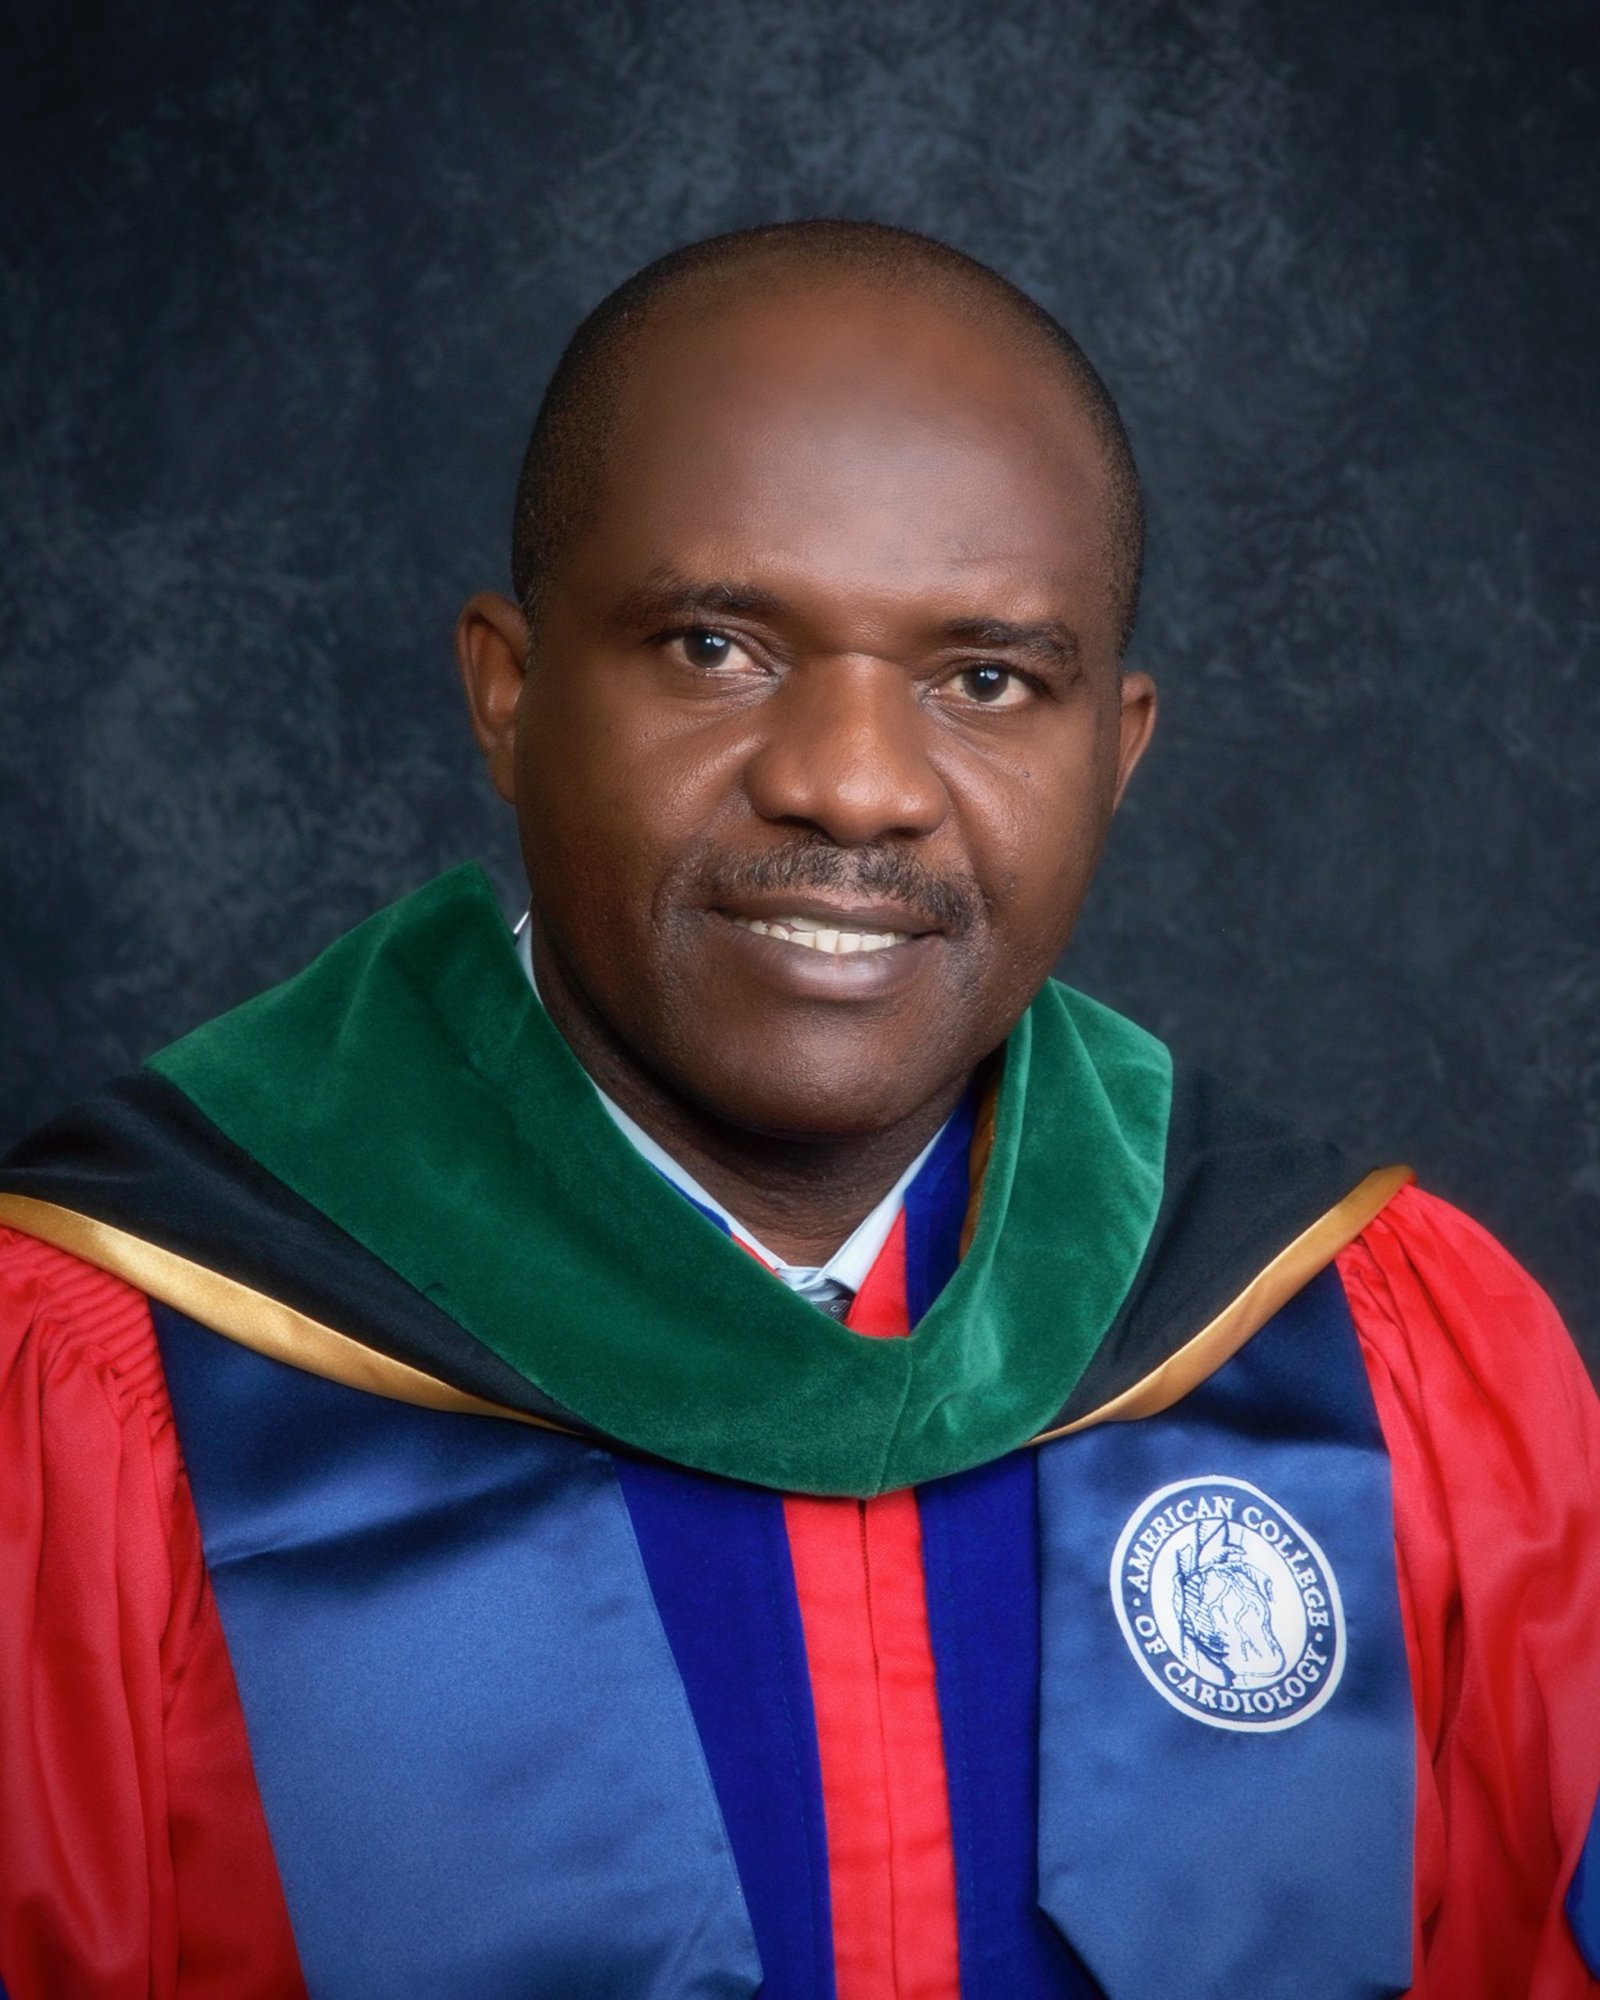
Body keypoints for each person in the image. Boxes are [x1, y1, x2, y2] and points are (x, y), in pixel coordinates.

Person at [0, 220, 1596, 2000]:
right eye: (716, 648)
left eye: (985, 681)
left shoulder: (1381, 1358)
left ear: (1116, 752)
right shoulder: (103, 1385)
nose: (851, 786)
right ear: (508, 695)